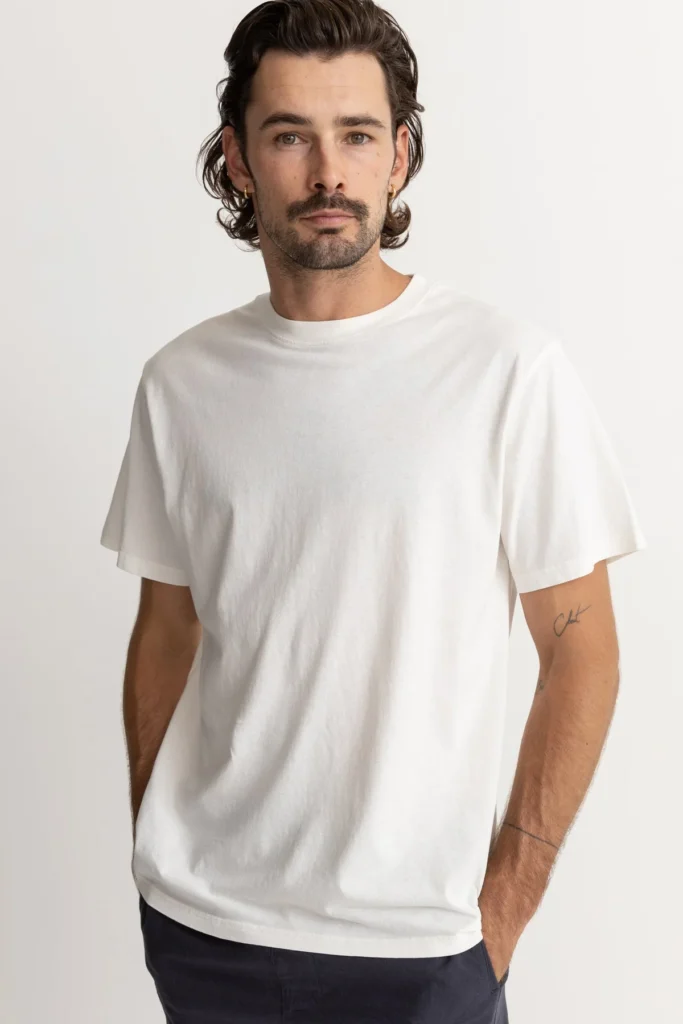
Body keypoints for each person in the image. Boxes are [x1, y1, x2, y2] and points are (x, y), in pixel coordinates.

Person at [99, 1, 647, 1021]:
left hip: (422, 947)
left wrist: (502, 913)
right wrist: (152, 843)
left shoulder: (504, 371)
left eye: (355, 135)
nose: (327, 173)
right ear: (237, 158)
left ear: (398, 155)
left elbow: (581, 650)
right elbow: (167, 629)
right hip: (206, 934)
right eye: (289, 136)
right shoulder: (181, 382)